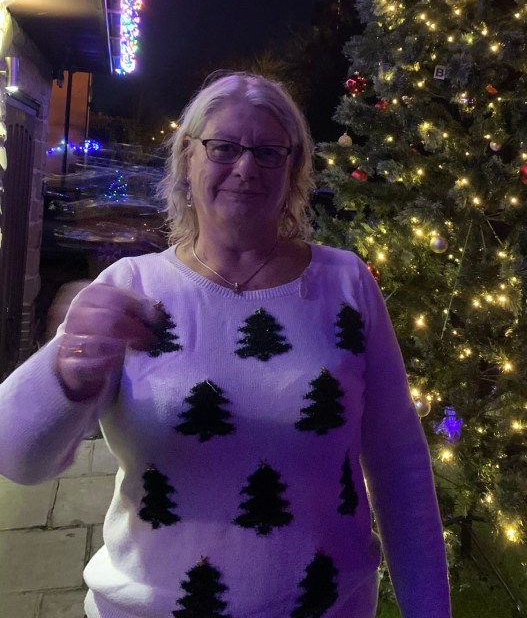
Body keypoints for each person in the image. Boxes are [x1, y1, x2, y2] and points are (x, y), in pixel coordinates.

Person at [0, 72, 451, 618]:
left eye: (267, 152)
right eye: (224, 147)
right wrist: (65, 368)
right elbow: (17, 459)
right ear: (188, 158)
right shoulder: (132, 290)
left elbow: (399, 464)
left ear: (293, 169)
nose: (245, 167)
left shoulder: (346, 284)